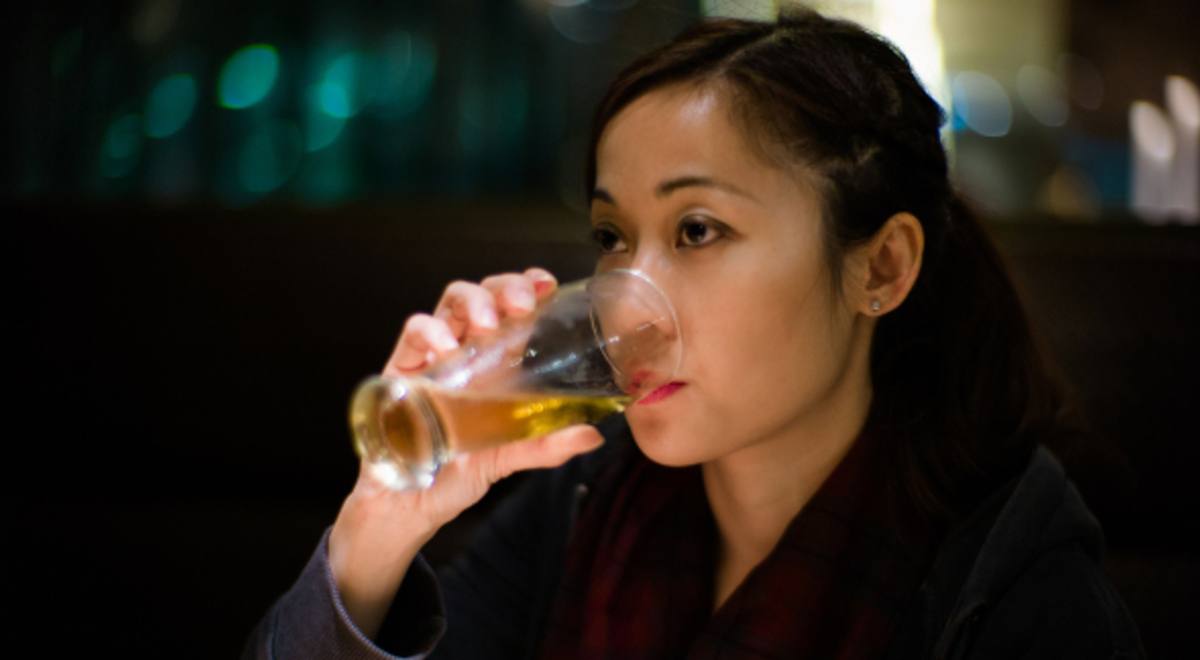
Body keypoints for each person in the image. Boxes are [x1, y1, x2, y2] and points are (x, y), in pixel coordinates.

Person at [245, 8, 1144, 659]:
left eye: (698, 231)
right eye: (611, 239)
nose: (627, 306)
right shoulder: (578, 512)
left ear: (881, 270)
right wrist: (380, 528)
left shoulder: (1012, 595)